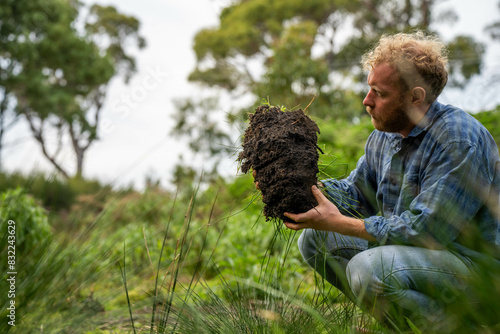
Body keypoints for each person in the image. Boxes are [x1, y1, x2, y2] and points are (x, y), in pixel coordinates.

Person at [273, 31, 500, 332]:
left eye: (380, 93)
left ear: (415, 97)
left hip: (478, 275)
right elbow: (357, 194)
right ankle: (403, 326)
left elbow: (426, 231)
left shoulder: (458, 140)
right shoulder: (384, 136)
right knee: (315, 240)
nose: (367, 101)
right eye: (369, 89)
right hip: (424, 260)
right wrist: (297, 184)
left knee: (369, 270)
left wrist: (337, 222)